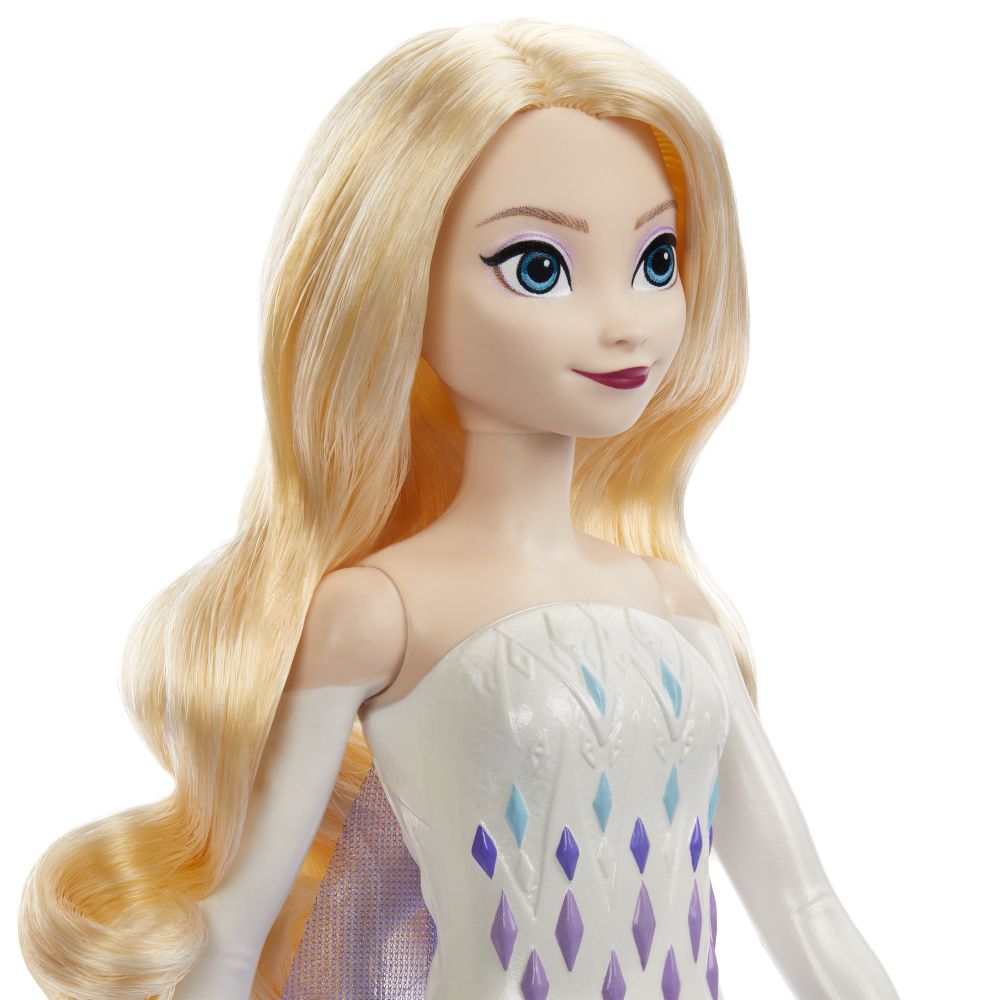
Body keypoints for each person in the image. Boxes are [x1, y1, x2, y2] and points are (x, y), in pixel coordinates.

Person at [19, 19, 901, 1000]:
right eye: (537, 266)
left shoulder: (673, 607)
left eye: (657, 259)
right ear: (398, 286)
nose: (626, 319)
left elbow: (805, 906)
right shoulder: (380, 611)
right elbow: (236, 933)